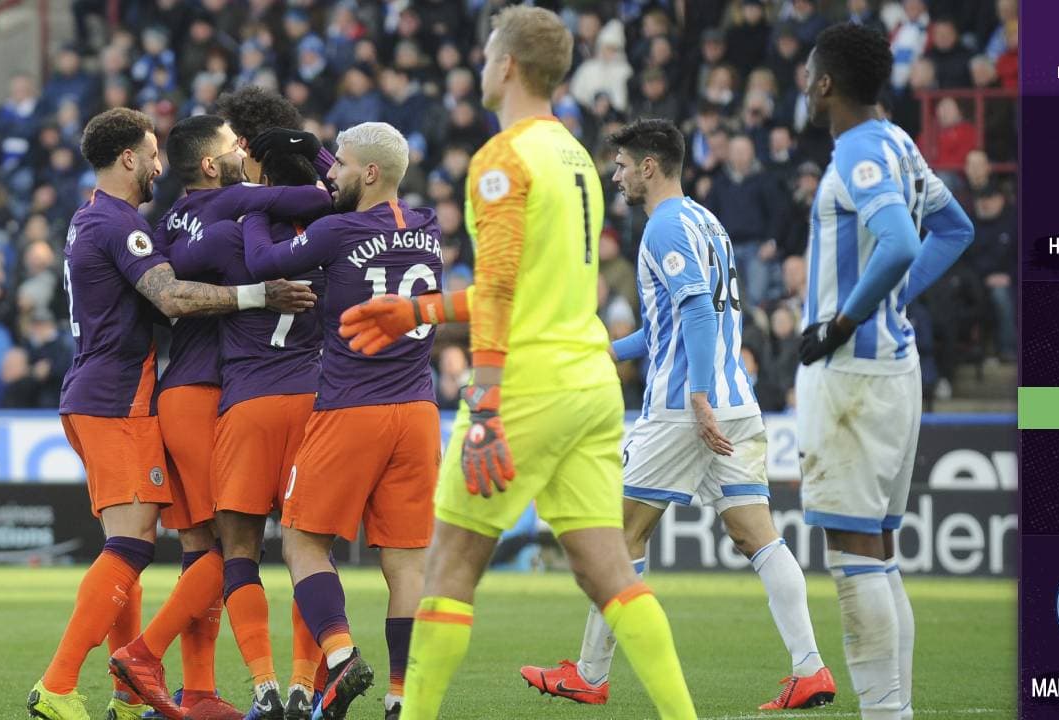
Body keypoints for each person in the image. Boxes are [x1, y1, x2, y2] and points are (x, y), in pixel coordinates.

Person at [340, 7, 697, 720]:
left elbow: (502, 289)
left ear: (506, 66)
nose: (480, 67)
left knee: (447, 567)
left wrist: (486, 406)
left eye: (486, 56)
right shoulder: (577, 157)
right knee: (608, 571)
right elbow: (531, 285)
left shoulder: (502, 159)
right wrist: (419, 310)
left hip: (528, 385)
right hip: (590, 382)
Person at [519, 118, 835, 711]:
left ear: (648, 166)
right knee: (756, 534)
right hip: (735, 400)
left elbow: (695, 311)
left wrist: (698, 395)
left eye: (620, 165)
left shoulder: (663, 226)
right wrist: (610, 352)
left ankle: (590, 673)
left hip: (684, 407)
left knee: (618, 534)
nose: (615, 176)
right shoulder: (706, 222)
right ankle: (811, 668)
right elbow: (671, 323)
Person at [26, 107, 315, 720]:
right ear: (129, 158)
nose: (160, 167)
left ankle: (136, 697)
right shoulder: (122, 225)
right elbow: (172, 296)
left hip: (107, 394)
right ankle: (61, 684)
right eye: (152, 154)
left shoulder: (95, 219)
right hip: (120, 399)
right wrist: (257, 293)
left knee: (142, 544)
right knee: (167, 547)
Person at [107, 113, 333, 720]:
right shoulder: (238, 210)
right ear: (212, 164)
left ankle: (199, 691)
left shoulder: (169, 222)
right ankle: (146, 655)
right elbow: (321, 194)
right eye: (236, 145)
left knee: (198, 546)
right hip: (216, 390)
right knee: (244, 550)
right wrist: (314, 155)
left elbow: (159, 292)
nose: (243, 151)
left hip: (178, 389)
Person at [794, 24, 973, 720]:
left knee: (853, 555)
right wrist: (893, 298)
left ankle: (885, 713)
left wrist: (844, 321)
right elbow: (954, 230)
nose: (805, 86)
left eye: (810, 75)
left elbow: (899, 242)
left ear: (826, 83)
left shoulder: (862, 149)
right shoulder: (898, 141)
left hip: (853, 375)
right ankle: (896, 712)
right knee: (879, 553)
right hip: (895, 370)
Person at [240, 121, 443, 720]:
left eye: (342, 165)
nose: (331, 176)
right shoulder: (429, 227)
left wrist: (255, 199)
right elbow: (359, 181)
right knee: (406, 563)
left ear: (370, 173)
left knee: (303, 541)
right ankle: (403, 697)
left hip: (352, 408)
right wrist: (322, 152)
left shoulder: (336, 231)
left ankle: (340, 654)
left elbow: (262, 261)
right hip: (419, 412)